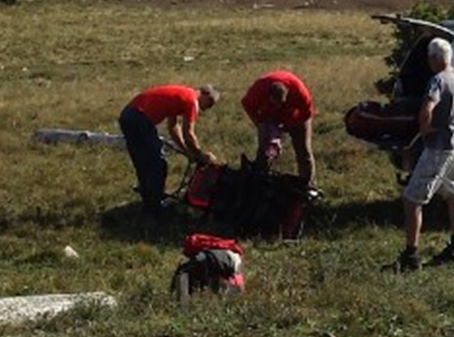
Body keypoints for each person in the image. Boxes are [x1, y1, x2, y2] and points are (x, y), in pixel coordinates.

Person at [388, 37, 454, 272]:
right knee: (453, 192)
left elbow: (427, 108)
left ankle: (411, 254)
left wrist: (426, 129)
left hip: (439, 145)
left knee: (412, 199)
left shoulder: (437, 80)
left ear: (434, 59)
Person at [118, 84, 218, 223]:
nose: (205, 109)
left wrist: (186, 151)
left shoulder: (181, 95)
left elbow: (172, 127)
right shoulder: (192, 100)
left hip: (128, 115)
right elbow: (188, 133)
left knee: (143, 163)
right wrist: (200, 155)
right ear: (205, 94)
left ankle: (148, 205)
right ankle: (155, 210)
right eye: (209, 104)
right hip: (141, 118)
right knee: (157, 165)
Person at [241, 70, 317, 188]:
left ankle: (308, 186)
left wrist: (289, 124)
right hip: (269, 118)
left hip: (296, 116)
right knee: (266, 150)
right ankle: (259, 181)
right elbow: (246, 104)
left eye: (280, 103)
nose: (277, 106)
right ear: (268, 95)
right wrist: (259, 123)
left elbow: (307, 112)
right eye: (274, 103)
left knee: (304, 151)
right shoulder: (259, 89)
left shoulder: (299, 90)